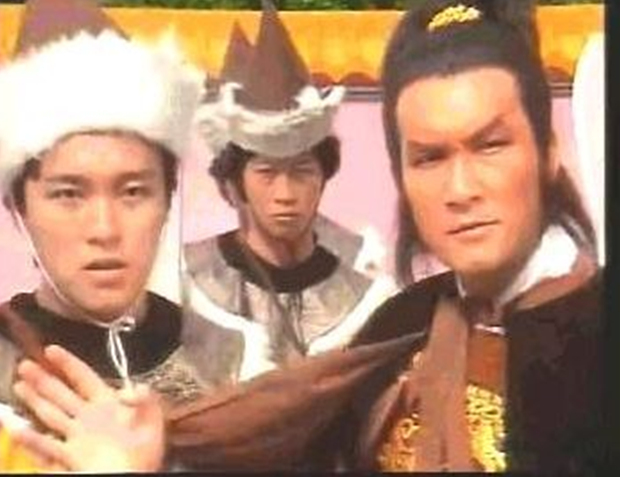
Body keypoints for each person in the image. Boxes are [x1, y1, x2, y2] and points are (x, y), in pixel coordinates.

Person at [329, 0, 605, 472]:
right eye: (429, 158)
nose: (460, 190)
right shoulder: (393, 330)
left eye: (490, 145)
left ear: (548, 152)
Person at [0, 0, 230, 471]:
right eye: (68, 194)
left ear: (167, 200)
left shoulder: (232, 361)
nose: (104, 230)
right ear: (18, 208)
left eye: (133, 192)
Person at [184, 0, 396, 381]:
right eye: (266, 172)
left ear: (323, 177)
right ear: (236, 182)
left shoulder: (366, 299)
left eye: (302, 171)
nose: (285, 193)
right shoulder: (191, 284)